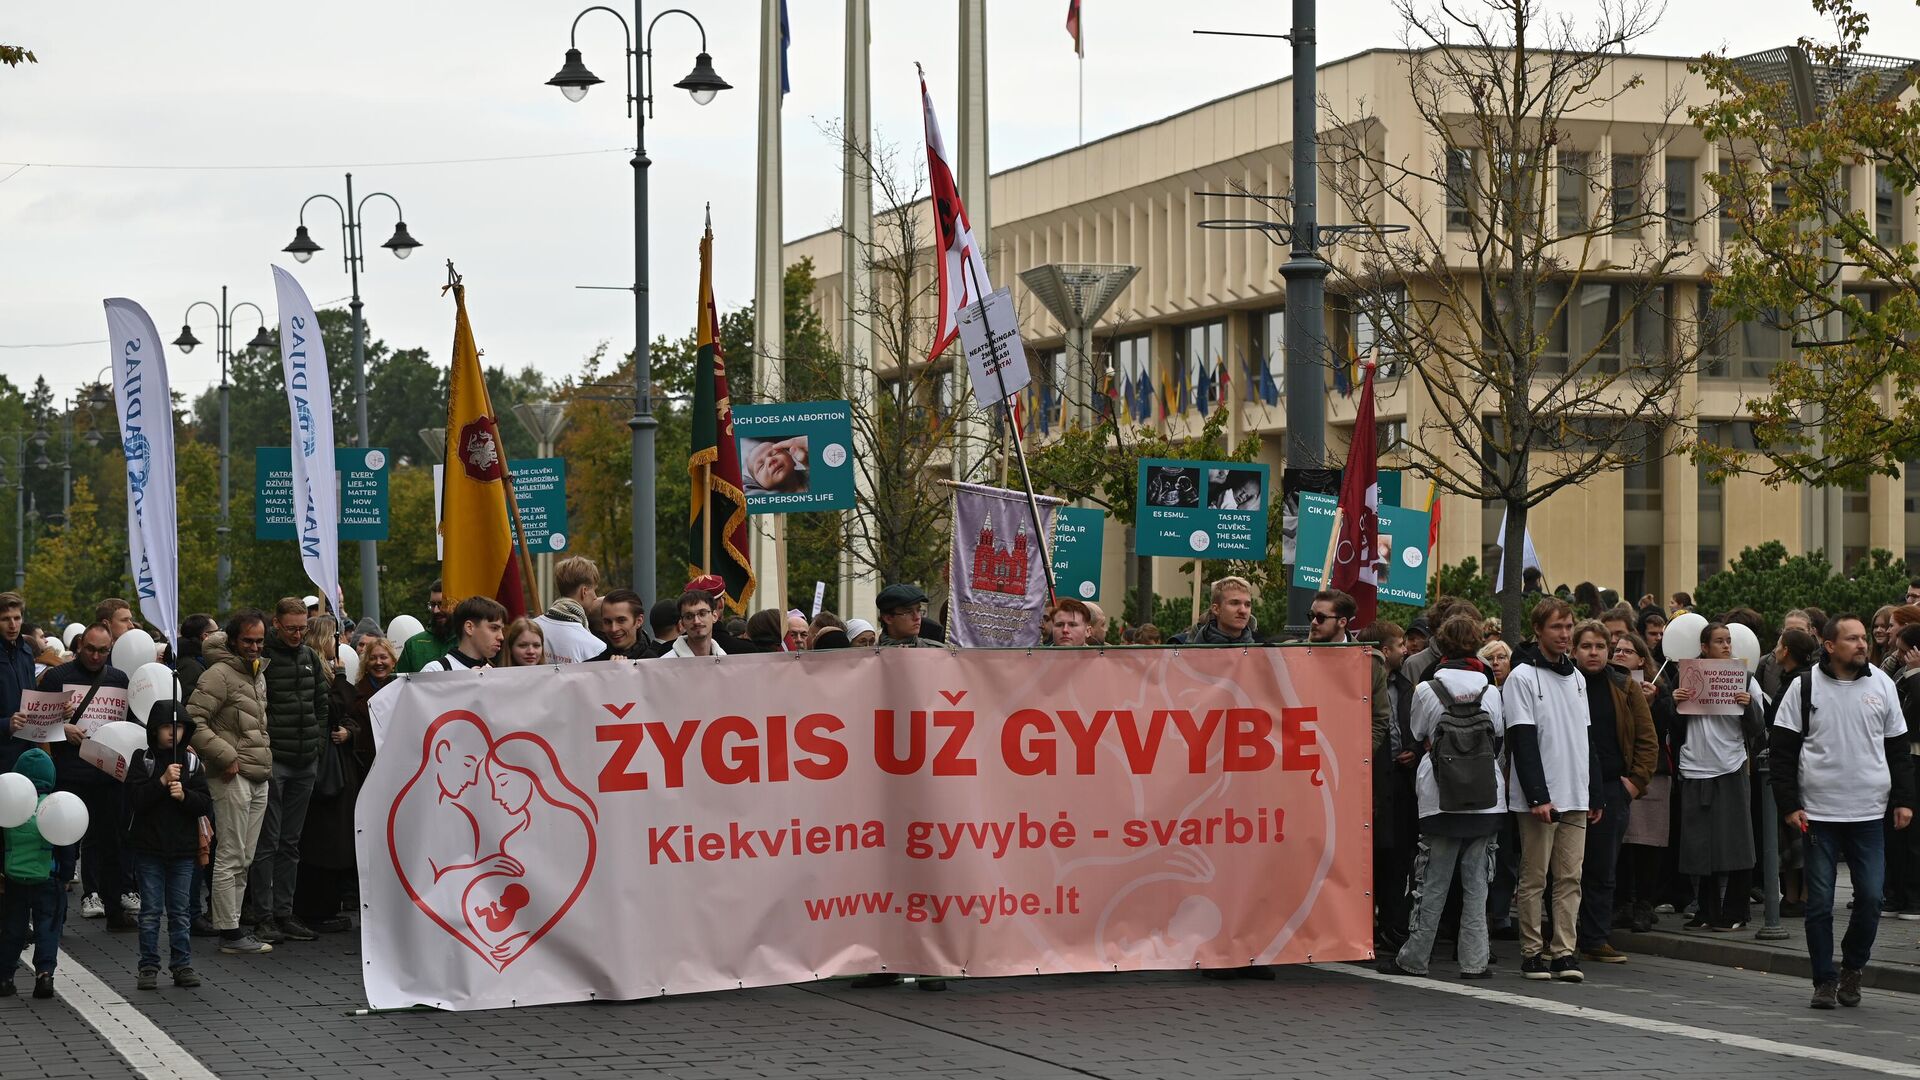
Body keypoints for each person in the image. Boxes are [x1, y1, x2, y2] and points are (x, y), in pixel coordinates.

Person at [1772, 613, 1917, 1009]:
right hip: (1818, 815)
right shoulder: (1804, 687)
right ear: (1830, 646)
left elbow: (1898, 750)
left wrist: (1904, 800)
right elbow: (1782, 753)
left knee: (1870, 897)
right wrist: (1789, 805)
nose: (1862, 644)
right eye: (1852, 638)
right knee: (1819, 903)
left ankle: (1853, 967)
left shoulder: (1882, 684)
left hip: (1869, 813)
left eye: (1863, 637)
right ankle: (1824, 979)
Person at [1380, 615, 1505, 979]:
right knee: (1477, 884)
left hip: (1439, 796)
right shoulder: (1491, 691)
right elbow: (1497, 737)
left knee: (1432, 883)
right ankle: (1475, 960)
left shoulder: (1426, 690)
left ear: (1441, 646)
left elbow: (1418, 733)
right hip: (1486, 796)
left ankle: (1415, 958)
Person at [1506, 598, 1601, 983]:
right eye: (1556, 627)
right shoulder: (1522, 677)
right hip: (1542, 798)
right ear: (1538, 630)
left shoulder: (1576, 677)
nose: (1564, 634)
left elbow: (1586, 737)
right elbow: (1522, 739)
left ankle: (1563, 951)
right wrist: (1537, 796)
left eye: (1568, 626)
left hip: (1575, 793)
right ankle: (1532, 951)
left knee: (1570, 878)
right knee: (1534, 878)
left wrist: (1594, 792)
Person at [33, 623, 136, 931]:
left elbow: (130, 724)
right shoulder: (57, 678)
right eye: (90, 649)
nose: (95, 656)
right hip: (70, 776)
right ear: (79, 646)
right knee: (64, 847)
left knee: (112, 845)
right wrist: (61, 728)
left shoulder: (119, 679)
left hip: (108, 777)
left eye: (103, 651)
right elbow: (35, 722)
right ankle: (56, 916)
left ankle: (114, 911)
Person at [187, 612, 274, 956]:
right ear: (234, 640)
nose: (254, 647)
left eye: (259, 641)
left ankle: (232, 926)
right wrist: (224, 755)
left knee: (244, 856)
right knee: (231, 854)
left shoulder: (257, 673)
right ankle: (229, 930)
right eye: (248, 641)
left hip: (256, 773)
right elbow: (192, 719)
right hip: (232, 774)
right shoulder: (219, 674)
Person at [1669, 620, 1766, 932]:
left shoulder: (1745, 678)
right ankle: (1707, 910)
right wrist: (1674, 703)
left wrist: (1748, 706)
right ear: (1704, 647)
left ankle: (1736, 910)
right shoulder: (1686, 676)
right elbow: (1674, 728)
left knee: (1736, 842)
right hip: (1695, 767)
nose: (1726, 646)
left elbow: (1759, 729)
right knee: (1700, 845)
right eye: (1719, 641)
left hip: (1730, 765)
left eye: (1728, 641)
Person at [246, 598, 330, 945]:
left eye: (302, 628)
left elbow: (321, 705)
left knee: (291, 842)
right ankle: (264, 915)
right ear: (276, 625)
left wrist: (317, 747)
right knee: (267, 841)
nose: (298, 634)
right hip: (275, 760)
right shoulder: (262, 658)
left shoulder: (310, 657)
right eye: (292, 628)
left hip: (304, 760)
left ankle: (284, 912)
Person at [1576, 620, 1658, 965]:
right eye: (1586, 646)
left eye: (1600, 647)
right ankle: (1562, 936)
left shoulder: (1624, 685)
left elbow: (1647, 739)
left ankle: (1595, 938)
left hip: (1613, 788)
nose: (1593, 653)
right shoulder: (1565, 681)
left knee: (1602, 868)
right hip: (1571, 786)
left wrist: (1634, 783)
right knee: (1564, 870)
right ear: (1574, 650)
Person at [125, 701, 210, 990]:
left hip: (183, 850)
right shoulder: (143, 760)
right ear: (154, 730)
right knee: (150, 911)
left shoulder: (192, 763)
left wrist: (184, 796)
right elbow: (135, 800)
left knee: (180, 911)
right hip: (149, 849)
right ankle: (148, 965)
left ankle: (182, 964)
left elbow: (205, 803)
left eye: (179, 727)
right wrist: (161, 781)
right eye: (166, 727)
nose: (173, 732)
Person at [1611, 631, 1678, 933]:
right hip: (1618, 771)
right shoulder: (1606, 684)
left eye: (1628, 651)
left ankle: (1644, 904)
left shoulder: (1659, 690)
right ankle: (1623, 902)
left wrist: (1654, 703)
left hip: (1653, 772)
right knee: (1622, 843)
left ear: (1641, 659)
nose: (1620, 654)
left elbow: (1670, 729)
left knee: (1648, 842)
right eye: (1617, 650)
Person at [0, 746, 66, 998]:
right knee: (47, 927)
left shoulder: (10, 808)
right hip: (48, 877)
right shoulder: (55, 807)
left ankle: (5, 977)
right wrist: (65, 874)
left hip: (15, 877)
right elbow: (66, 845)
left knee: (13, 929)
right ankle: (44, 975)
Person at [1887, 623, 1920, 920]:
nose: (1897, 655)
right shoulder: (1899, 674)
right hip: (1899, 758)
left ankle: (1914, 898)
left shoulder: (1912, 675)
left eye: (1902, 650)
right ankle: (1895, 894)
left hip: (1915, 757)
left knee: (1914, 835)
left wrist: (1915, 673)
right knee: (1896, 833)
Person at [534, 556, 607, 663]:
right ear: (584, 591)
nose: (595, 597)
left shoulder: (531, 629)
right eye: (594, 590)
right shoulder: (595, 647)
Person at [342, 636, 397, 774]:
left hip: (395, 765)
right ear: (366, 663)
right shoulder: (354, 695)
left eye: (383, 657)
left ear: (393, 662)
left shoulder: (404, 692)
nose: (378, 662)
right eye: (373, 658)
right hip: (364, 767)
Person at [421, 597, 509, 671]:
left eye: (501, 630)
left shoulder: (495, 672)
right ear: (469, 627)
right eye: (494, 628)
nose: (501, 637)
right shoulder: (435, 670)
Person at [1170, 576, 1258, 645]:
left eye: (1247, 605)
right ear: (1216, 609)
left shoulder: (1261, 649)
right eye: (1234, 603)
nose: (1243, 610)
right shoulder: (1183, 650)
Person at [395, 581, 458, 674]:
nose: (436, 610)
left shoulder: (470, 642)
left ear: (455, 604)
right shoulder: (413, 645)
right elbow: (400, 681)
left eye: (441, 604)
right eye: (432, 605)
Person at [591, 589, 652, 662]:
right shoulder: (589, 667)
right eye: (607, 622)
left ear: (639, 621)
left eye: (621, 620)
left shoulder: (658, 664)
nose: (614, 629)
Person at [661, 591, 726, 659]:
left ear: (714, 616)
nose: (696, 621)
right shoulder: (665, 663)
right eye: (689, 617)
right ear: (682, 623)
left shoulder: (727, 660)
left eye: (702, 614)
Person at [876, 585, 942, 648]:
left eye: (918, 610)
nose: (917, 617)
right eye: (908, 612)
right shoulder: (871, 652)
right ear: (888, 618)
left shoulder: (937, 651)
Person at [174, 613, 218, 702]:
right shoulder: (189, 666)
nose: (221, 635)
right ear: (205, 636)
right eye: (217, 631)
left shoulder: (199, 659)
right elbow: (188, 701)